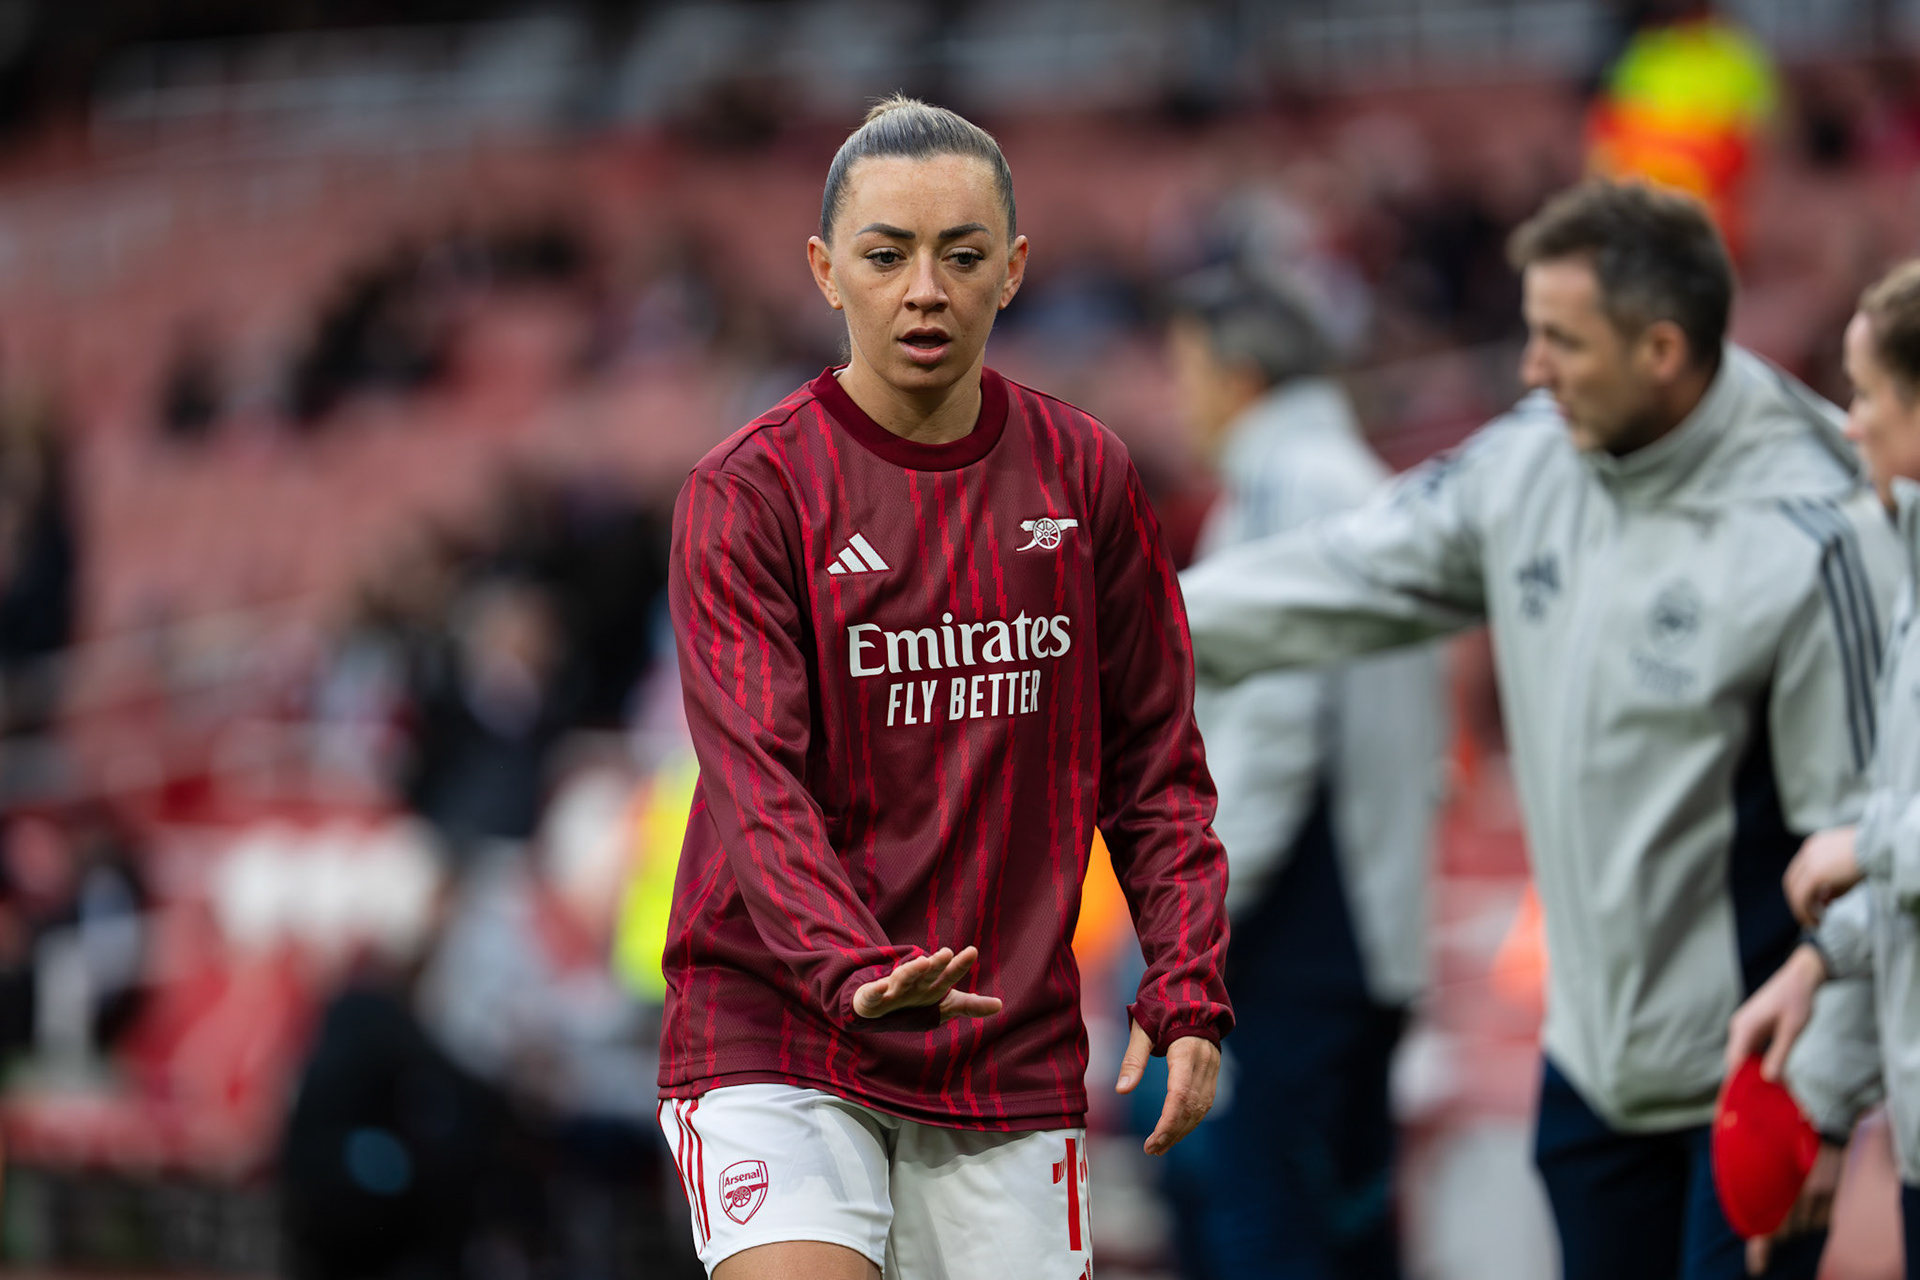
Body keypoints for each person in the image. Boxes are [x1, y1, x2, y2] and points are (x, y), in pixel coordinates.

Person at [1177, 178, 1902, 1280]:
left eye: (1560, 340)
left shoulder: (1816, 530)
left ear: (1661, 349)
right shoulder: (1530, 459)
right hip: (1592, 1075)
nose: (1529, 368)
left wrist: (1826, 1092)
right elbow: (1344, 572)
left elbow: (1858, 833)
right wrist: (1102, 625)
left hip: (1749, 1082)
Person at [657, 96, 1232, 1280]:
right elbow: (756, 779)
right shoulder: (748, 493)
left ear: (1013, 269)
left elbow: (1155, 763)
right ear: (825, 270)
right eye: (886, 254)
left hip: (1001, 1043)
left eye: (962, 256)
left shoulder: (1088, 475)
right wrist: (852, 968)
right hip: (782, 1022)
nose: (926, 288)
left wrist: (1184, 981)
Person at [1155, 265, 1445, 1279]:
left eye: (1186, 370)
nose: (1178, 396)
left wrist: (1195, 907)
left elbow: (1275, 722)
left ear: (1238, 378)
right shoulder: (1352, 476)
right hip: (1358, 920)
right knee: (1346, 1209)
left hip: (1300, 924)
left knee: (1266, 1212)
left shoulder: (1287, 485)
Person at [1728, 258, 1920, 1279]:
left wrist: (1867, 844)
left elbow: (1888, 839)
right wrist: (1819, 962)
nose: (1850, 424)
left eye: (1871, 393)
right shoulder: (1909, 573)